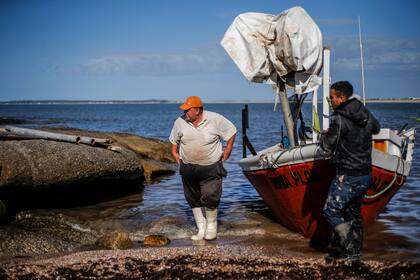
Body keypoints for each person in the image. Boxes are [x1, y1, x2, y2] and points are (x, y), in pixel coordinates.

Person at [320, 81, 380, 263]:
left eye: (332, 97)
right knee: (354, 213)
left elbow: (326, 146)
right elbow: (376, 129)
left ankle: (350, 250)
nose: (330, 100)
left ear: (341, 98)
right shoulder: (364, 111)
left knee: (331, 211)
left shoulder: (339, 118)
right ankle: (354, 253)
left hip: (347, 173)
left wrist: (325, 134)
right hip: (365, 173)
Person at [169, 96, 237, 241]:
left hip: (211, 166)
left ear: (198, 110)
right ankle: (201, 228)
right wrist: (176, 156)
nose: (185, 112)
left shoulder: (215, 119)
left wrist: (228, 149)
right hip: (188, 167)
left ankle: (211, 227)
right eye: (185, 110)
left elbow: (232, 131)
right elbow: (174, 143)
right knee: (192, 198)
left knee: (210, 195)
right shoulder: (179, 122)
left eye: (188, 110)